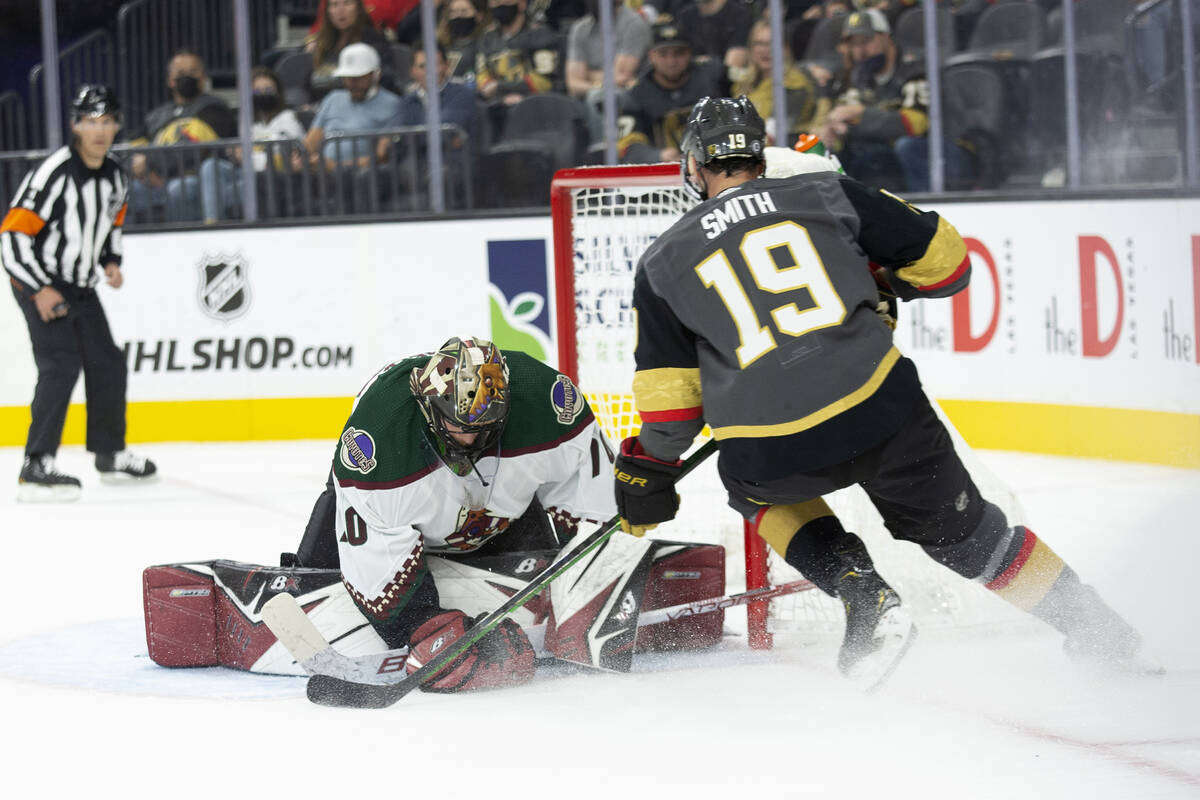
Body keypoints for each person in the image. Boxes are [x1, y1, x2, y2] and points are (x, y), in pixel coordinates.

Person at [612, 95, 1149, 687]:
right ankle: (1099, 628)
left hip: (771, 442)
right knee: (970, 538)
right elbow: (948, 266)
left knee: (752, 491)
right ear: (760, 154)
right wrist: (879, 282)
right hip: (881, 407)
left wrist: (649, 472)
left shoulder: (660, 260)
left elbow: (672, 406)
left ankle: (862, 593)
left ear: (694, 165)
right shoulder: (824, 191)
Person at [288, 336, 616, 692]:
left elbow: (594, 499)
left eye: (485, 429)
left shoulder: (546, 400)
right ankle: (305, 576)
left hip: (499, 516)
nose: (473, 442)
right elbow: (373, 553)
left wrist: (597, 569)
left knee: (561, 553)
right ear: (430, 407)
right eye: (462, 429)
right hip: (401, 521)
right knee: (325, 561)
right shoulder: (378, 438)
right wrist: (422, 626)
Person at [1, 86, 157, 503]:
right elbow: (13, 236)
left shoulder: (115, 174)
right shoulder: (53, 172)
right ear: (75, 125)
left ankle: (109, 454)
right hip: (37, 279)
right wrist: (39, 289)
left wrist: (110, 259)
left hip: (80, 285)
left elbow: (113, 221)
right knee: (60, 364)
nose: (99, 130)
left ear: (118, 125)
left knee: (107, 362)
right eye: (90, 121)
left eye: (107, 121)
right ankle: (36, 464)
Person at [817, 8, 973, 191]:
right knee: (859, 153)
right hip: (897, 153)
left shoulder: (916, 69)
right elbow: (845, 115)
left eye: (866, 41)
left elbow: (915, 124)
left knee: (907, 146)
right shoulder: (861, 76)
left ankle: (925, 208)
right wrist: (837, 130)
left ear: (886, 37)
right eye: (854, 45)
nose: (860, 51)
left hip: (948, 153)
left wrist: (860, 113)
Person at [125, 49, 238, 223]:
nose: (187, 76)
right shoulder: (157, 116)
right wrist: (140, 169)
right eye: (180, 73)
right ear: (170, 80)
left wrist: (149, 164)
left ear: (203, 78)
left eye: (193, 72)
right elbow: (130, 149)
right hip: (154, 181)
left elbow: (191, 150)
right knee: (124, 191)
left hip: (198, 180)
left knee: (178, 189)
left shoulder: (215, 109)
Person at [197, 67, 306, 223]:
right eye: (257, 91)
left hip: (274, 179)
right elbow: (244, 155)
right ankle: (212, 222)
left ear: (278, 92)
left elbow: (284, 160)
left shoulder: (289, 119)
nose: (263, 94)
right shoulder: (248, 123)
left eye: (269, 89)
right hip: (247, 174)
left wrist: (249, 158)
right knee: (211, 166)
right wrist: (249, 157)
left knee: (231, 190)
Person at [617, 17, 723, 164]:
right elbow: (627, 146)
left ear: (689, 54)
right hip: (662, 173)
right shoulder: (636, 95)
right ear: (651, 56)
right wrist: (657, 156)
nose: (671, 61)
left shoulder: (712, 77)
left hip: (713, 164)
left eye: (678, 53)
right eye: (663, 54)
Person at [305, 43, 403, 173]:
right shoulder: (333, 98)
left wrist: (336, 166)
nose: (351, 83)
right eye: (347, 78)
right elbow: (311, 141)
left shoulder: (392, 104)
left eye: (358, 78)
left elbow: (381, 156)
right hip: (323, 175)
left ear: (375, 75)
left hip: (364, 177)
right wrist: (309, 159)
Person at [731, 18, 830, 146]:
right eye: (759, 43)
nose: (765, 50)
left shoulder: (794, 83)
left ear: (785, 48)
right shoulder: (743, 84)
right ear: (751, 48)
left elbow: (775, 130)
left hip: (785, 153)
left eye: (772, 43)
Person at [565, 0, 652, 141]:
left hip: (633, 95)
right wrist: (597, 84)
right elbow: (573, 84)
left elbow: (621, 76)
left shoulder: (633, 24)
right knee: (564, 107)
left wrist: (586, 74)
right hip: (588, 95)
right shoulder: (580, 28)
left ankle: (601, 153)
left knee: (599, 97)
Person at [474, 0, 564, 112]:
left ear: (522, 4)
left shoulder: (541, 34)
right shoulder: (486, 38)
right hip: (496, 106)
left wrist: (500, 87)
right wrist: (500, 97)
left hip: (538, 105)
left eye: (506, 2)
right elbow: (481, 75)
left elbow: (544, 81)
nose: (501, 5)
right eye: (496, 2)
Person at [307, 0, 397, 100]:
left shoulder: (373, 40)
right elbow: (309, 81)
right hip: (322, 106)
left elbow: (386, 77)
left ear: (358, 8)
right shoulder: (322, 43)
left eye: (347, 3)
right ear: (328, 11)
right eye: (334, 4)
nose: (340, 10)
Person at [439, 0, 487, 80]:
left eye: (464, 11)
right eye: (453, 12)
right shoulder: (440, 44)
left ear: (479, 15)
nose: (458, 16)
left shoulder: (484, 42)